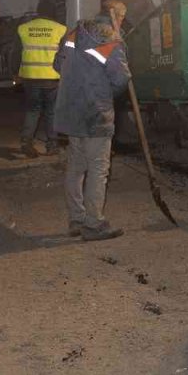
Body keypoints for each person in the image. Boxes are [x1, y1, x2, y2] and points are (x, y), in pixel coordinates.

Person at [53, 14, 130, 241]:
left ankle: (76, 219)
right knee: (98, 168)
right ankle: (94, 223)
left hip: (71, 110)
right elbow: (121, 79)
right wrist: (102, 93)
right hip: (95, 113)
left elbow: (57, 64)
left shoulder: (72, 35)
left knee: (76, 165)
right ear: (113, 21)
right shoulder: (111, 42)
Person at [17, 0, 68, 158]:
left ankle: (26, 142)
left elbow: (15, 52)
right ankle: (52, 145)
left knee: (32, 110)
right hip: (52, 78)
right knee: (51, 111)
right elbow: (64, 55)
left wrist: (14, 72)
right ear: (53, 13)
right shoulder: (61, 29)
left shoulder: (23, 28)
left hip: (30, 76)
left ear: (38, 12)